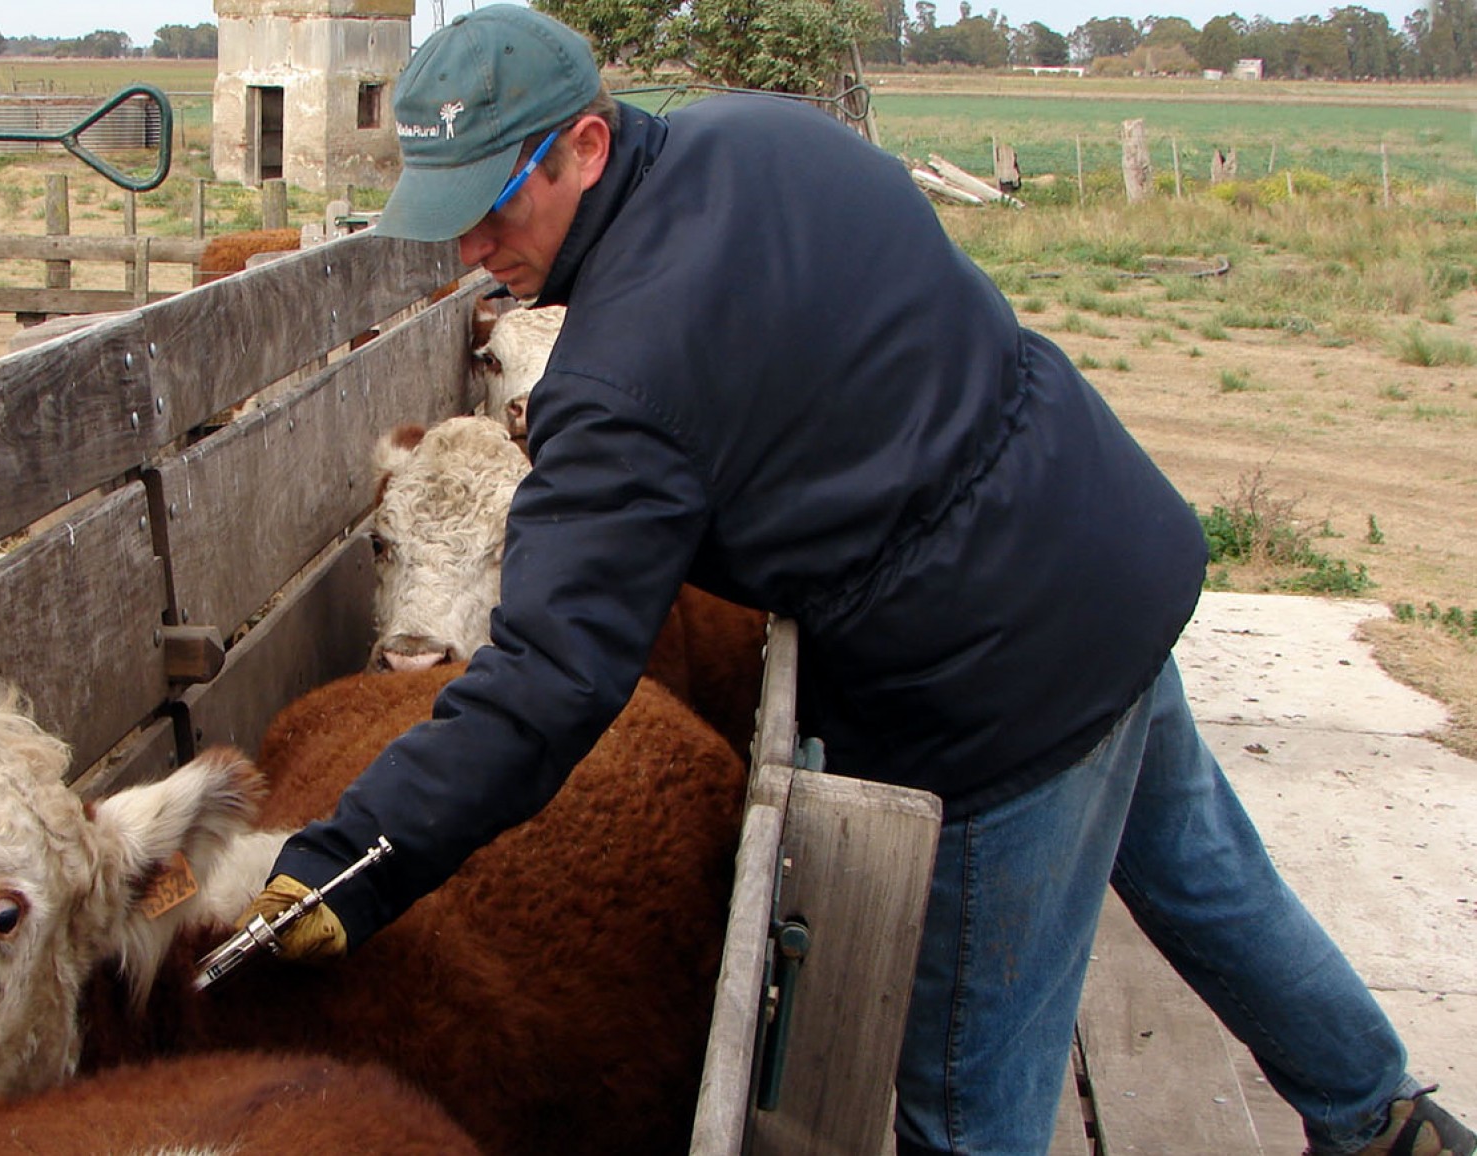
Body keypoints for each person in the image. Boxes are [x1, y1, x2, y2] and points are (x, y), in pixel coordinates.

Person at [237, 7, 1476, 1154]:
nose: (472, 246)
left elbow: (552, 675)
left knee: (963, 1095)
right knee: (1207, 880)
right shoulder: (762, 134)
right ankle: (1382, 1119)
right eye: (445, 210)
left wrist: (351, 858)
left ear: (588, 145)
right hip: (1106, 556)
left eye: (495, 204)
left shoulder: (619, 383)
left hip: (999, 686)